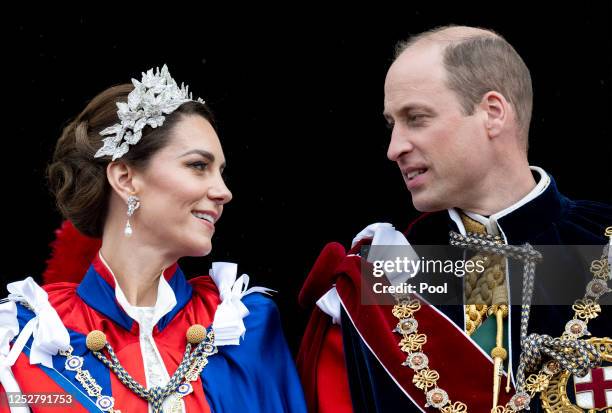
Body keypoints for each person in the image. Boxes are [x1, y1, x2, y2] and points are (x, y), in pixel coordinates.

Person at [297, 26, 611, 412]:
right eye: (391, 124)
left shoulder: (602, 241)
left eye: (416, 118)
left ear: (492, 113)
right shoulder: (381, 273)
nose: (394, 148)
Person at [0, 65, 307, 412]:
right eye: (197, 165)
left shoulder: (243, 326)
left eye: (221, 172)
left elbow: (380, 327)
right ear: (126, 178)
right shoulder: (27, 338)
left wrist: (381, 262)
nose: (224, 192)